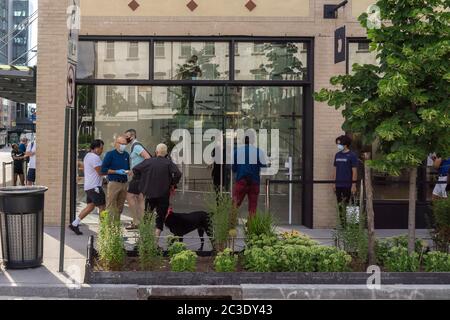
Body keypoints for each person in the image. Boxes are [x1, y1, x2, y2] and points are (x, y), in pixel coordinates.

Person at [133, 143, 182, 238]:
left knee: (147, 216)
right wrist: (172, 183)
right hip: (163, 194)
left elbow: (135, 169)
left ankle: (144, 240)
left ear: (156, 152)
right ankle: (155, 242)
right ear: (166, 153)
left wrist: (143, 180)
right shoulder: (168, 163)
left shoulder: (149, 162)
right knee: (160, 218)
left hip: (150, 194)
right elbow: (178, 174)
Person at [69, 140, 106, 235]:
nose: (102, 150)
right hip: (95, 187)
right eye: (101, 148)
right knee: (102, 207)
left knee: (90, 207)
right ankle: (103, 230)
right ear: (96, 148)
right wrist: (114, 172)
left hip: (89, 186)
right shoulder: (95, 158)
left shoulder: (87, 156)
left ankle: (74, 224)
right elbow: (100, 172)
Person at [232, 134, 267, 218]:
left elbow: (234, 168)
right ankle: (251, 228)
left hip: (241, 181)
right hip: (254, 182)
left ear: (243, 141)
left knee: (234, 205)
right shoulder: (259, 152)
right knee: (253, 207)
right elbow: (264, 167)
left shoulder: (237, 151)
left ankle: (231, 226)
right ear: (253, 141)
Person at [124, 129, 151, 230]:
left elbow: (147, 158)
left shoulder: (137, 146)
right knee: (140, 199)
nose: (125, 138)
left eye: (127, 136)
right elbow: (139, 160)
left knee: (129, 196)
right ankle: (142, 223)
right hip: (140, 175)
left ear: (132, 136)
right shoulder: (134, 146)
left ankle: (136, 221)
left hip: (139, 176)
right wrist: (132, 170)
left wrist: (137, 169)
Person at [101, 135, 131, 220]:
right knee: (111, 206)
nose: (123, 145)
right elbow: (103, 169)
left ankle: (116, 226)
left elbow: (127, 167)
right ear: (116, 144)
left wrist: (128, 172)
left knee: (120, 206)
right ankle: (109, 228)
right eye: (122, 143)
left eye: (125, 144)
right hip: (114, 183)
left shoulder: (126, 155)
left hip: (124, 183)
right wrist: (116, 171)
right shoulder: (110, 154)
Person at [332, 135, 358, 205]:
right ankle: (340, 216)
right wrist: (334, 183)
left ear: (345, 145)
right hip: (338, 185)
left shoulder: (352, 155)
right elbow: (335, 169)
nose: (338, 146)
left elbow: (354, 172)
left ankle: (348, 216)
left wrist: (354, 185)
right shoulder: (337, 155)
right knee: (339, 205)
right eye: (337, 144)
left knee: (348, 205)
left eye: (339, 144)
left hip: (348, 185)